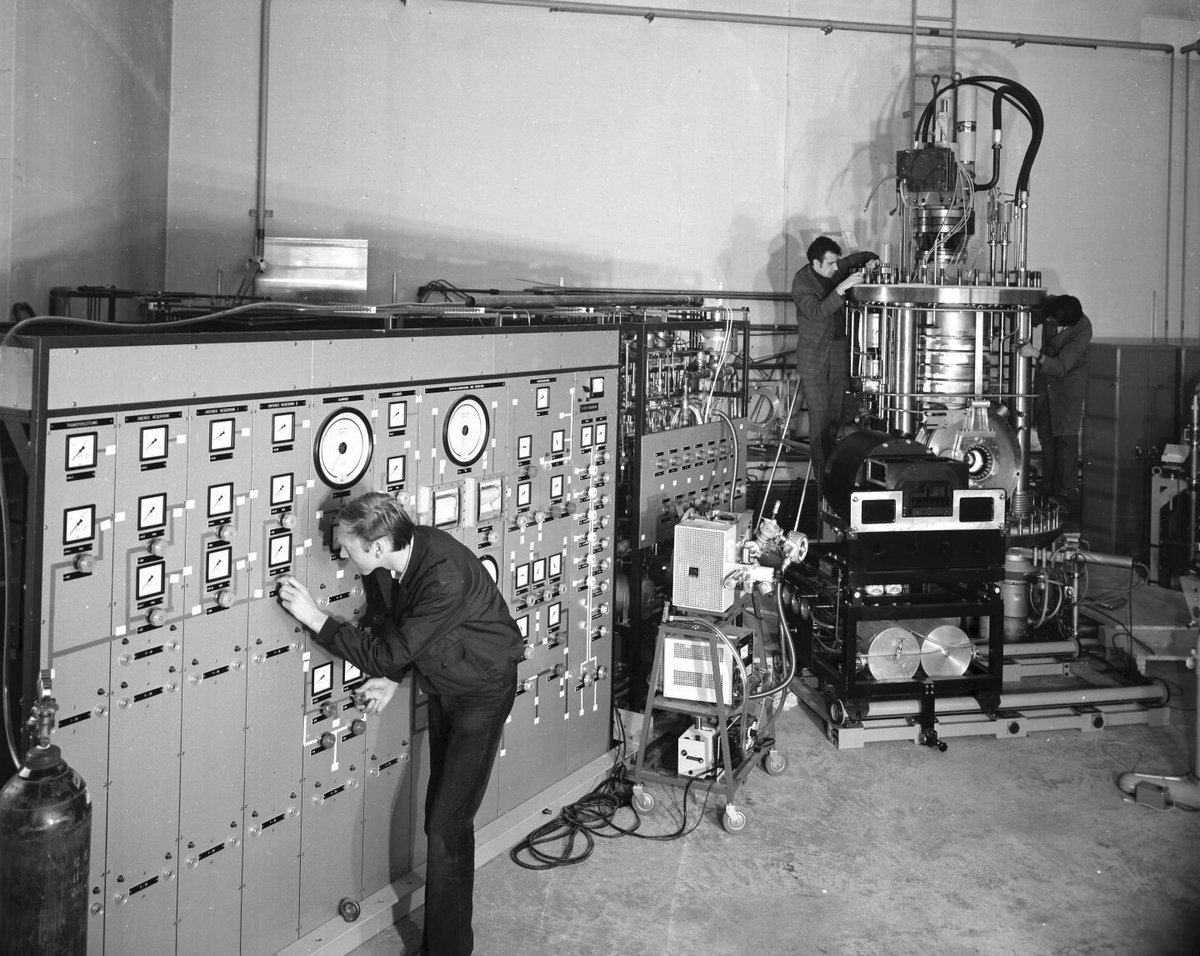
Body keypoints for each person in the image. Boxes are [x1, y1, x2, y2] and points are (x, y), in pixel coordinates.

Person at [277, 492, 523, 956]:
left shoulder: (442, 576)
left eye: (347, 547)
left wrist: (314, 617)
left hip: (481, 693)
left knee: (447, 827)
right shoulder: (408, 554)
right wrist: (393, 678)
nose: (341, 553)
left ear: (376, 546)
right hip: (449, 683)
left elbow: (389, 650)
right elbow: (405, 627)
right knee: (443, 820)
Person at [791, 235, 878, 501]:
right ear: (816, 263)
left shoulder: (832, 267)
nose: (835, 268)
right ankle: (824, 489)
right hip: (815, 359)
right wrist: (841, 288)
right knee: (820, 425)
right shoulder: (802, 283)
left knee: (837, 417)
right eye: (830, 264)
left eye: (835, 263)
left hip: (838, 351)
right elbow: (817, 312)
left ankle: (837, 478)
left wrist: (872, 259)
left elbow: (852, 260)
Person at [1019, 294, 1092, 515]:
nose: (1050, 323)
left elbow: (1061, 366)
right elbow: (1033, 316)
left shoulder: (1083, 331)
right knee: (1047, 437)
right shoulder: (1055, 307)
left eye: (1053, 322)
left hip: (1067, 388)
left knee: (1065, 442)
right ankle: (1048, 487)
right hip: (1045, 383)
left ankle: (1066, 495)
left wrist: (1034, 353)